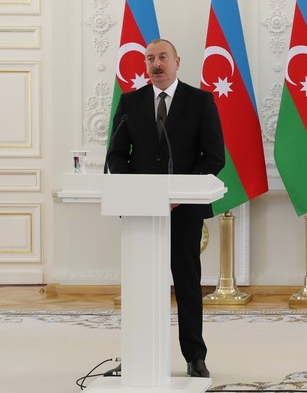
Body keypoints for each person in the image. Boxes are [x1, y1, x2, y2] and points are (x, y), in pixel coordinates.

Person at [105, 39, 225, 378]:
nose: (156, 64)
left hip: (183, 211)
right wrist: (139, 192)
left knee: (187, 284)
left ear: (177, 61)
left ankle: (195, 356)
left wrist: (181, 192)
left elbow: (214, 157)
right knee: (141, 285)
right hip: (141, 212)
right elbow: (116, 155)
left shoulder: (200, 101)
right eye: (149, 59)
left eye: (162, 57)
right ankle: (138, 354)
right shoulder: (130, 102)